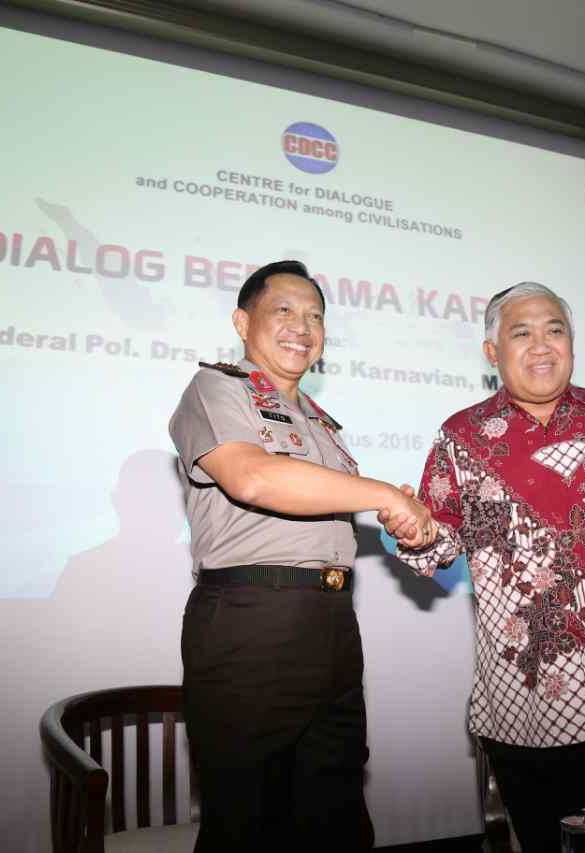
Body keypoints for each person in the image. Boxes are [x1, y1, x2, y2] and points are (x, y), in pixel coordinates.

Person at [386, 282, 585, 853]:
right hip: (524, 695)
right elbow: (438, 545)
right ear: (492, 353)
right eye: (522, 332)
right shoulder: (461, 437)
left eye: (554, 330)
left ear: (572, 344)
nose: (541, 345)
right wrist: (413, 531)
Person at [169, 260, 436, 851]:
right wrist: (383, 495)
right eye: (284, 311)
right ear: (243, 322)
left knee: (336, 812)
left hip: (332, 623)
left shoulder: (320, 421)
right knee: (247, 819)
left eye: (315, 316)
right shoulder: (217, 388)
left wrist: (403, 518)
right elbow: (254, 478)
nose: (303, 327)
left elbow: (330, 512)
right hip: (251, 620)